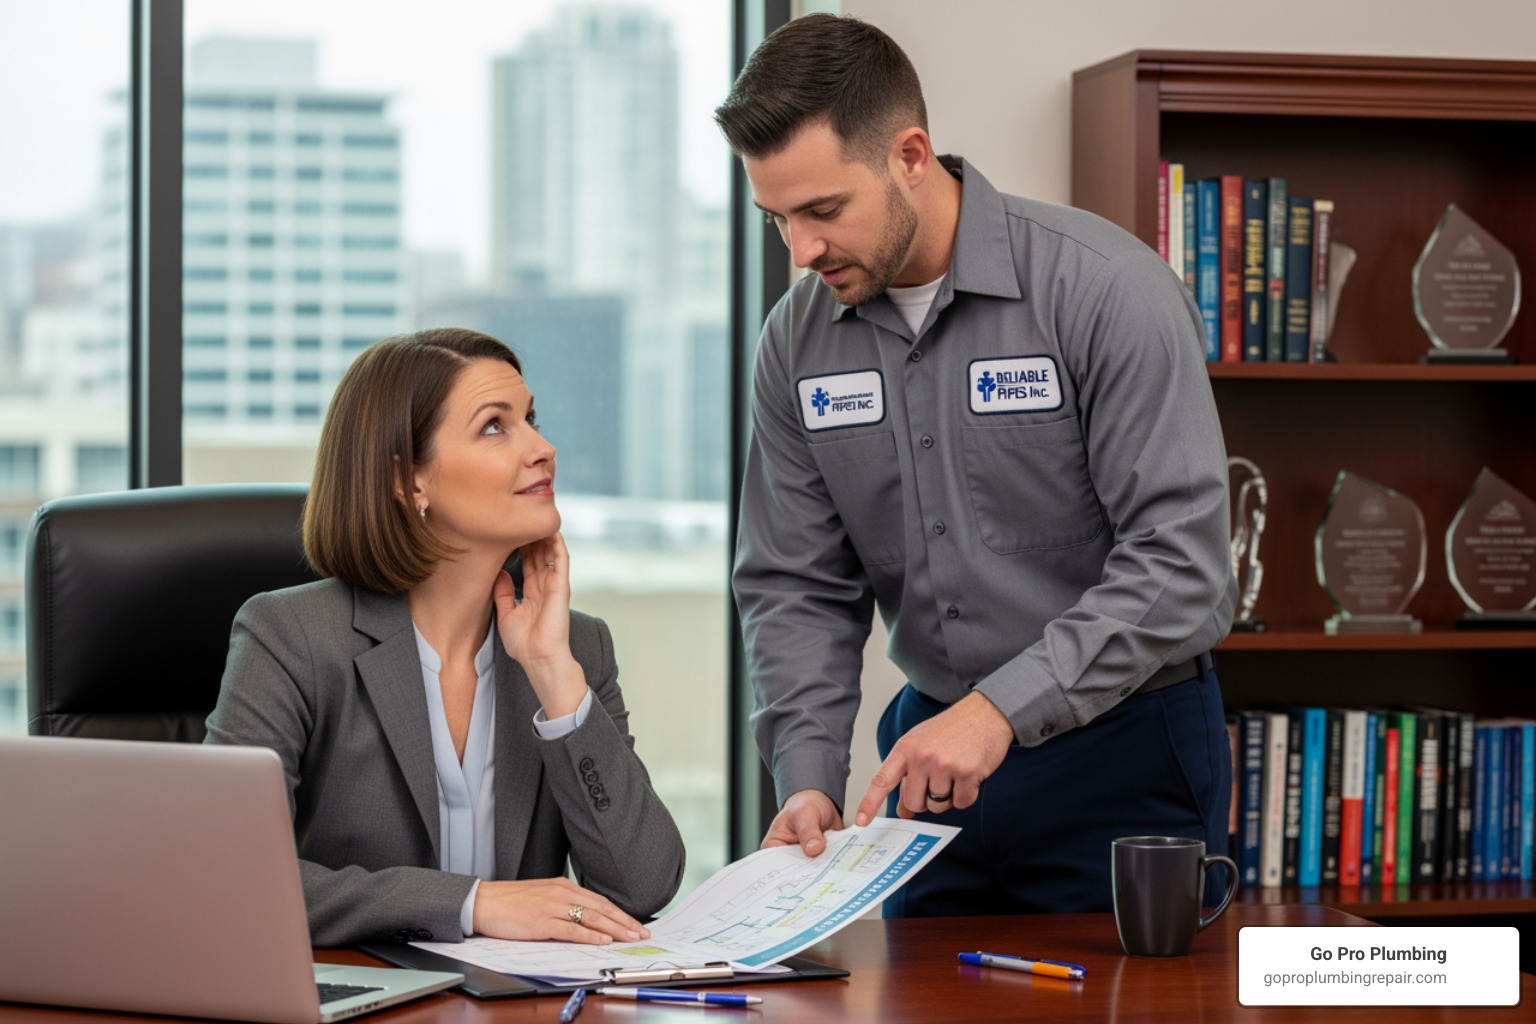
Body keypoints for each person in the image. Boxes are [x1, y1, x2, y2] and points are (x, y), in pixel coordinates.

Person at [717, 15, 1236, 916]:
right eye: (777, 219)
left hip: (1123, 756)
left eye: (823, 211)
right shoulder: (794, 343)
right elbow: (795, 584)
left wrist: (999, 711)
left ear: (911, 154)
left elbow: (1182, 564)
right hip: (929, 774)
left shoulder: (1105, 289)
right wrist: (805, 778)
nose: (800, 250)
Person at [205, 328, 685, 947]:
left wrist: (553, 674)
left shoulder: (576, 646)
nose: (543, 448)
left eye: (531, 419)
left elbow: (642, 888)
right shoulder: (292, 637)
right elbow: (227, 874)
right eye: (495, 426)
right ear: (410, 482)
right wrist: (471, 904)